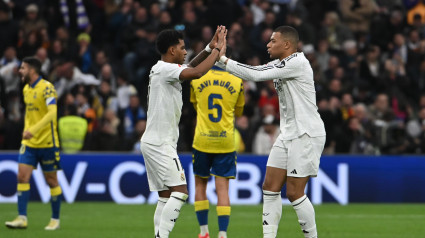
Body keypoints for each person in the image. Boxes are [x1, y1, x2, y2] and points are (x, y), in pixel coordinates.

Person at [217, 26, 326, 238]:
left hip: (306, 133)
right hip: (288, 133)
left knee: (294, 193)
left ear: (287, 44)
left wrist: (222, 59)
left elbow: (254, 74)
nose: (268, 45)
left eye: (273, 41)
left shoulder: (297, 63)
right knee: (269, 186)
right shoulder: (280, 64)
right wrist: (221, 58)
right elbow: (253, 71)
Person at [140, 26, 227, 238]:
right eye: (182, 47)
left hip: (154, 141)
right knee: (180, 192)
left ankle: (159, 236)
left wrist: (209, 48)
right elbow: (196, 72)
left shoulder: (163, 69)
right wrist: (218, 52)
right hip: (161, 143)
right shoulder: (165, 69)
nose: (185, 50)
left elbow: (190, 66)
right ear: (171, 51)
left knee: (165, 196)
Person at [5, 57, 62, 230]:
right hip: (29, 143)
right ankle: (22, 218)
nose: (20, 71)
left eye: (23, 68)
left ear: (32, 70)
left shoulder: (47, 88)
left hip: (47, 143)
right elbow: (30, 115)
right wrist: (28, 132)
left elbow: (52, 113)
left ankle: (55, 219)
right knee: (22, 177)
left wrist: (34, 130)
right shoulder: (26, 89)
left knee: (51, 181)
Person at [190, 63, 245, 238]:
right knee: (222, 189)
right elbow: (240, 112)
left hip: (202, 140)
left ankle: (204, 232)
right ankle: (222, 234)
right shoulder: (237, 82)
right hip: (225, 142)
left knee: (200, 185)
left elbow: (195, 105)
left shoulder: (196, 79)